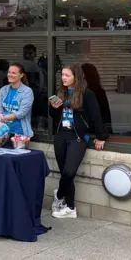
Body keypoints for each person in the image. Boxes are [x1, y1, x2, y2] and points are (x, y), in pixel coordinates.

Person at [49, 64, 109, 219]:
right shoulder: (61, 92)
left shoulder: (86, 94)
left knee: (69, 172)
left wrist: (101, 136)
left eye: (67, 75)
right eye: (62, 74)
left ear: (76, 77)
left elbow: (96, 116)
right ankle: (70, 208)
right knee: (64, 172)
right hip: (61, 135)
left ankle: (60, 194)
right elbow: (53, 116)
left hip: (77, 137)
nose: (63, 78)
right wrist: (54, 108)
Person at [0, 63, 34, 142]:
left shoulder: (27, 91)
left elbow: (21, 113)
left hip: (20, 134)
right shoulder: (3, 90)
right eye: (9, 72)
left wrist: (4, 118)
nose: (10, 75)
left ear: (21, 75)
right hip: (2, 132)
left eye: (14, 73)